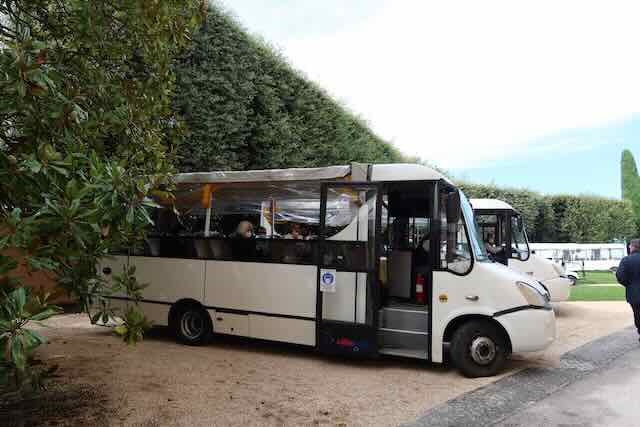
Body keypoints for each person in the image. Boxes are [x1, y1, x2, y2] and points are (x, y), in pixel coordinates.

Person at [616, 239, 640, 342]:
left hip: (634, 294)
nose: (629, 248)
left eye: (630, 246)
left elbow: (620, 276)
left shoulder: (626, 260)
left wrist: (629, 285)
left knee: (638, 315)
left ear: (633, 247)